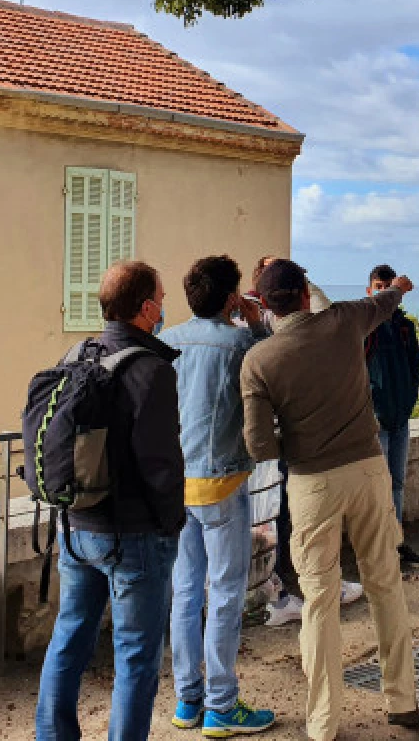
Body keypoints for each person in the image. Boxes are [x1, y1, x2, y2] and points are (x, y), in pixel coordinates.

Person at [240, 259, 419, 741]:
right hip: (366, 469)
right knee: (385, 582)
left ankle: (323, 722)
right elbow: (383, 302)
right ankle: (402, 701)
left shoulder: (259, 361)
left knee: (319, 601)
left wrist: (299, 444)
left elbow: (258, 446)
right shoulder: (343, 321)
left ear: (265, 306)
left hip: (311, 482)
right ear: (305, 292)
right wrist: (400, 287)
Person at [35, 261, 185, 741]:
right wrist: (172, 524)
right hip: (134, 536)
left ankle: (51, 736)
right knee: (136, 659)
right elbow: (161, 463)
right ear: (145, 309)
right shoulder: (151, 370)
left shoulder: (76, 353)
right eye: (160, 300)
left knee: (69, 639)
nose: (163, 309)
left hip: (77, 526)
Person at [158, 256, 276, 737]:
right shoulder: (242, 344)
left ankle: (188, 701)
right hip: (224, 483)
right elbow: (276, 367)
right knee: (226, 595)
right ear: (231, 297)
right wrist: (255, 321)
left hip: (177, 485)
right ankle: (221, 706)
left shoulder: (166, 343)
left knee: (185, 593)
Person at [242, 255, 366, 626]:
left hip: (280, 442)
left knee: (290, 523)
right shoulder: (252, 322)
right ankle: (291, 593)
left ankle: (293, 589)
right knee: (287, 523)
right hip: (281, 445)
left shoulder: (264, 320)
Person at [364, 264, 419, 569]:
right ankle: (379, 553)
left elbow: (414, 368)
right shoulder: (364, 329)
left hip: (399, 419)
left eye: (389, 286)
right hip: (374, 421)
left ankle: (396, 544)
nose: (385, 292)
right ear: (369, 291)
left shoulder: (405, 328)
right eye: (379, 286)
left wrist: (407, 403)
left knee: (396, 484)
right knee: (377, 488)